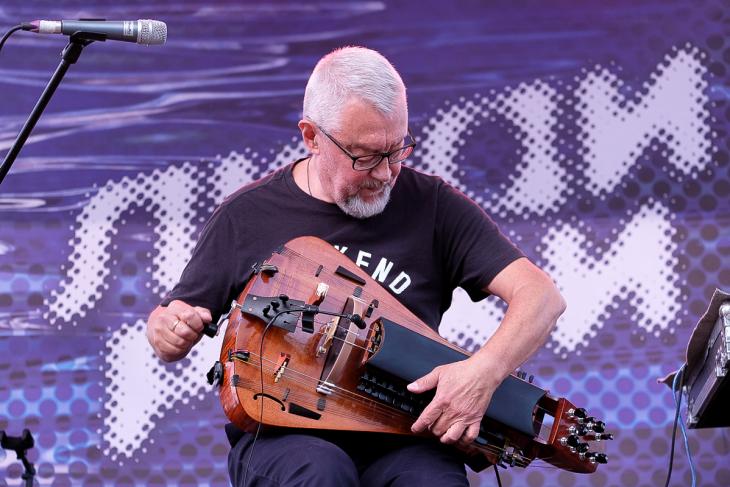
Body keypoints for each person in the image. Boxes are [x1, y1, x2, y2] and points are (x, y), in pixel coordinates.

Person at [146, 46, 566, 487]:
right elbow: (171, 324)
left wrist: (482, 374)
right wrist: (168, 328)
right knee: (321, 472)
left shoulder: (433, 206)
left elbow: (541, 297)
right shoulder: (247, 216)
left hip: (404, 434)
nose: (385, 174)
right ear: (312, 137)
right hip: (285, 432)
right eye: (364, 156)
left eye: (397, 151)